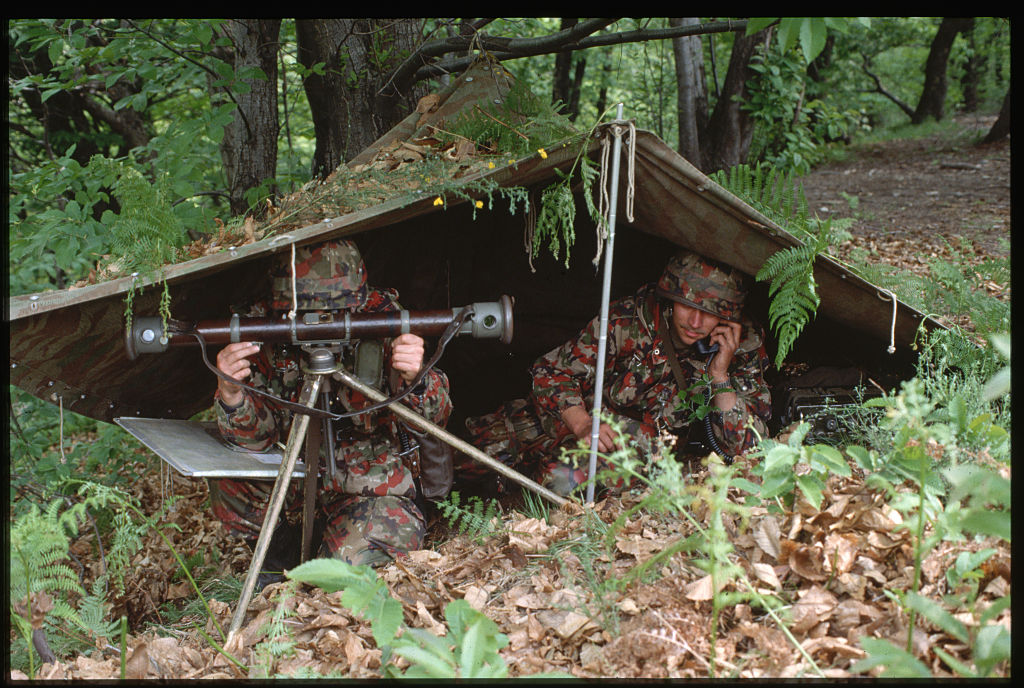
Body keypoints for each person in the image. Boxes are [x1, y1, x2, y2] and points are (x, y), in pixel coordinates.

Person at [207, 239, 452, 586]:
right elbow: (256, 443)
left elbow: (436, 419)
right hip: (295, 478)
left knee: (344, 579)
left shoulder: (385, 318)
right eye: (304, 315)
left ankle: (327, 560)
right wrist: (231, 395)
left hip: (373, 486)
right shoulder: (261, 330)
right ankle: (277, 569)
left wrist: (417, 376)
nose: (318, 323)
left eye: (332, 312)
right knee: (229, 479)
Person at [463, 249, 771, 497]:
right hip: (571, 424)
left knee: (560, 482)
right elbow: (553, 372)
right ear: (670, 298)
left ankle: (515, 489)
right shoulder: (628, 321)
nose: (694, 321)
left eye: (710, 313)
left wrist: (720, 375)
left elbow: (746, 450)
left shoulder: (741, 347)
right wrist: (583, 424)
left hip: (639, 456)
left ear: (728, 316)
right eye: (686, 305)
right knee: (466, 456)